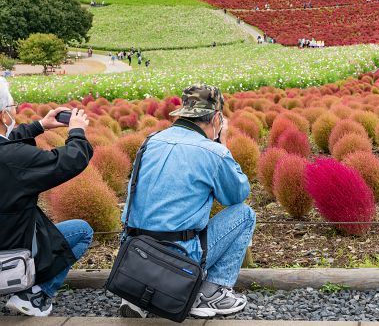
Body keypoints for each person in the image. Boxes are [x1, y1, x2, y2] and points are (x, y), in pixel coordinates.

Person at [119, 84, 255, 319]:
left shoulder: (151, 141)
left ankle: (141, 292)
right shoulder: (212, 151)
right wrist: (221, 145)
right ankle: (209, 293)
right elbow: (236, 195)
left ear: (183, 113)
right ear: (217, 118)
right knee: (244, 214)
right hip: (179, 257)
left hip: (134, 253)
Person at [0, 77, 94, 316]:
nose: (14, 112)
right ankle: (34, 295)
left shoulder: (11, 155)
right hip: (10, 258)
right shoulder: (14, 159)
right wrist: (77, 132)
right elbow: (70, 160)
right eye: (12, 108)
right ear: (3, 116)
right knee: (82, 230)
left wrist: (40, 125)